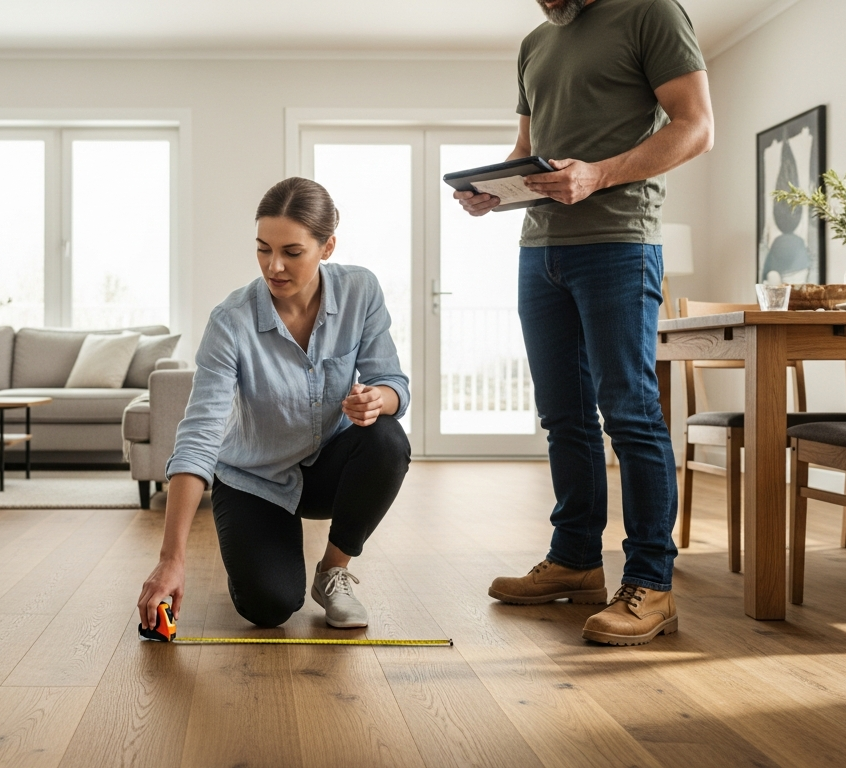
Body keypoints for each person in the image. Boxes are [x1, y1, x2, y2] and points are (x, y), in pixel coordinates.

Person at [454, 0, 714, 645]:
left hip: (620, 244)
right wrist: (496, 190)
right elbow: (527, 149)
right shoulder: (536, 41)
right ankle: (574, 560)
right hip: (540, 251)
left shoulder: (650, 12)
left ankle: (651, 583)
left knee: (629, 411)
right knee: (563, 415)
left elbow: (696, 126)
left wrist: (598, 174)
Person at [137, 177, 411, 631]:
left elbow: (392, 382)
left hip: (329, 469)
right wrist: (171, 559)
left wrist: (377, 399)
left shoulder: (361, 290)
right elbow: (200, 434)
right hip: (254, 478)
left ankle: (332, 572)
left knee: (387, 439)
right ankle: (262, 555)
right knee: (269, 606)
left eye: (292, 252)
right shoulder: (231, 321)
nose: (274, 266)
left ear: (327, 248)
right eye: (263, 248)